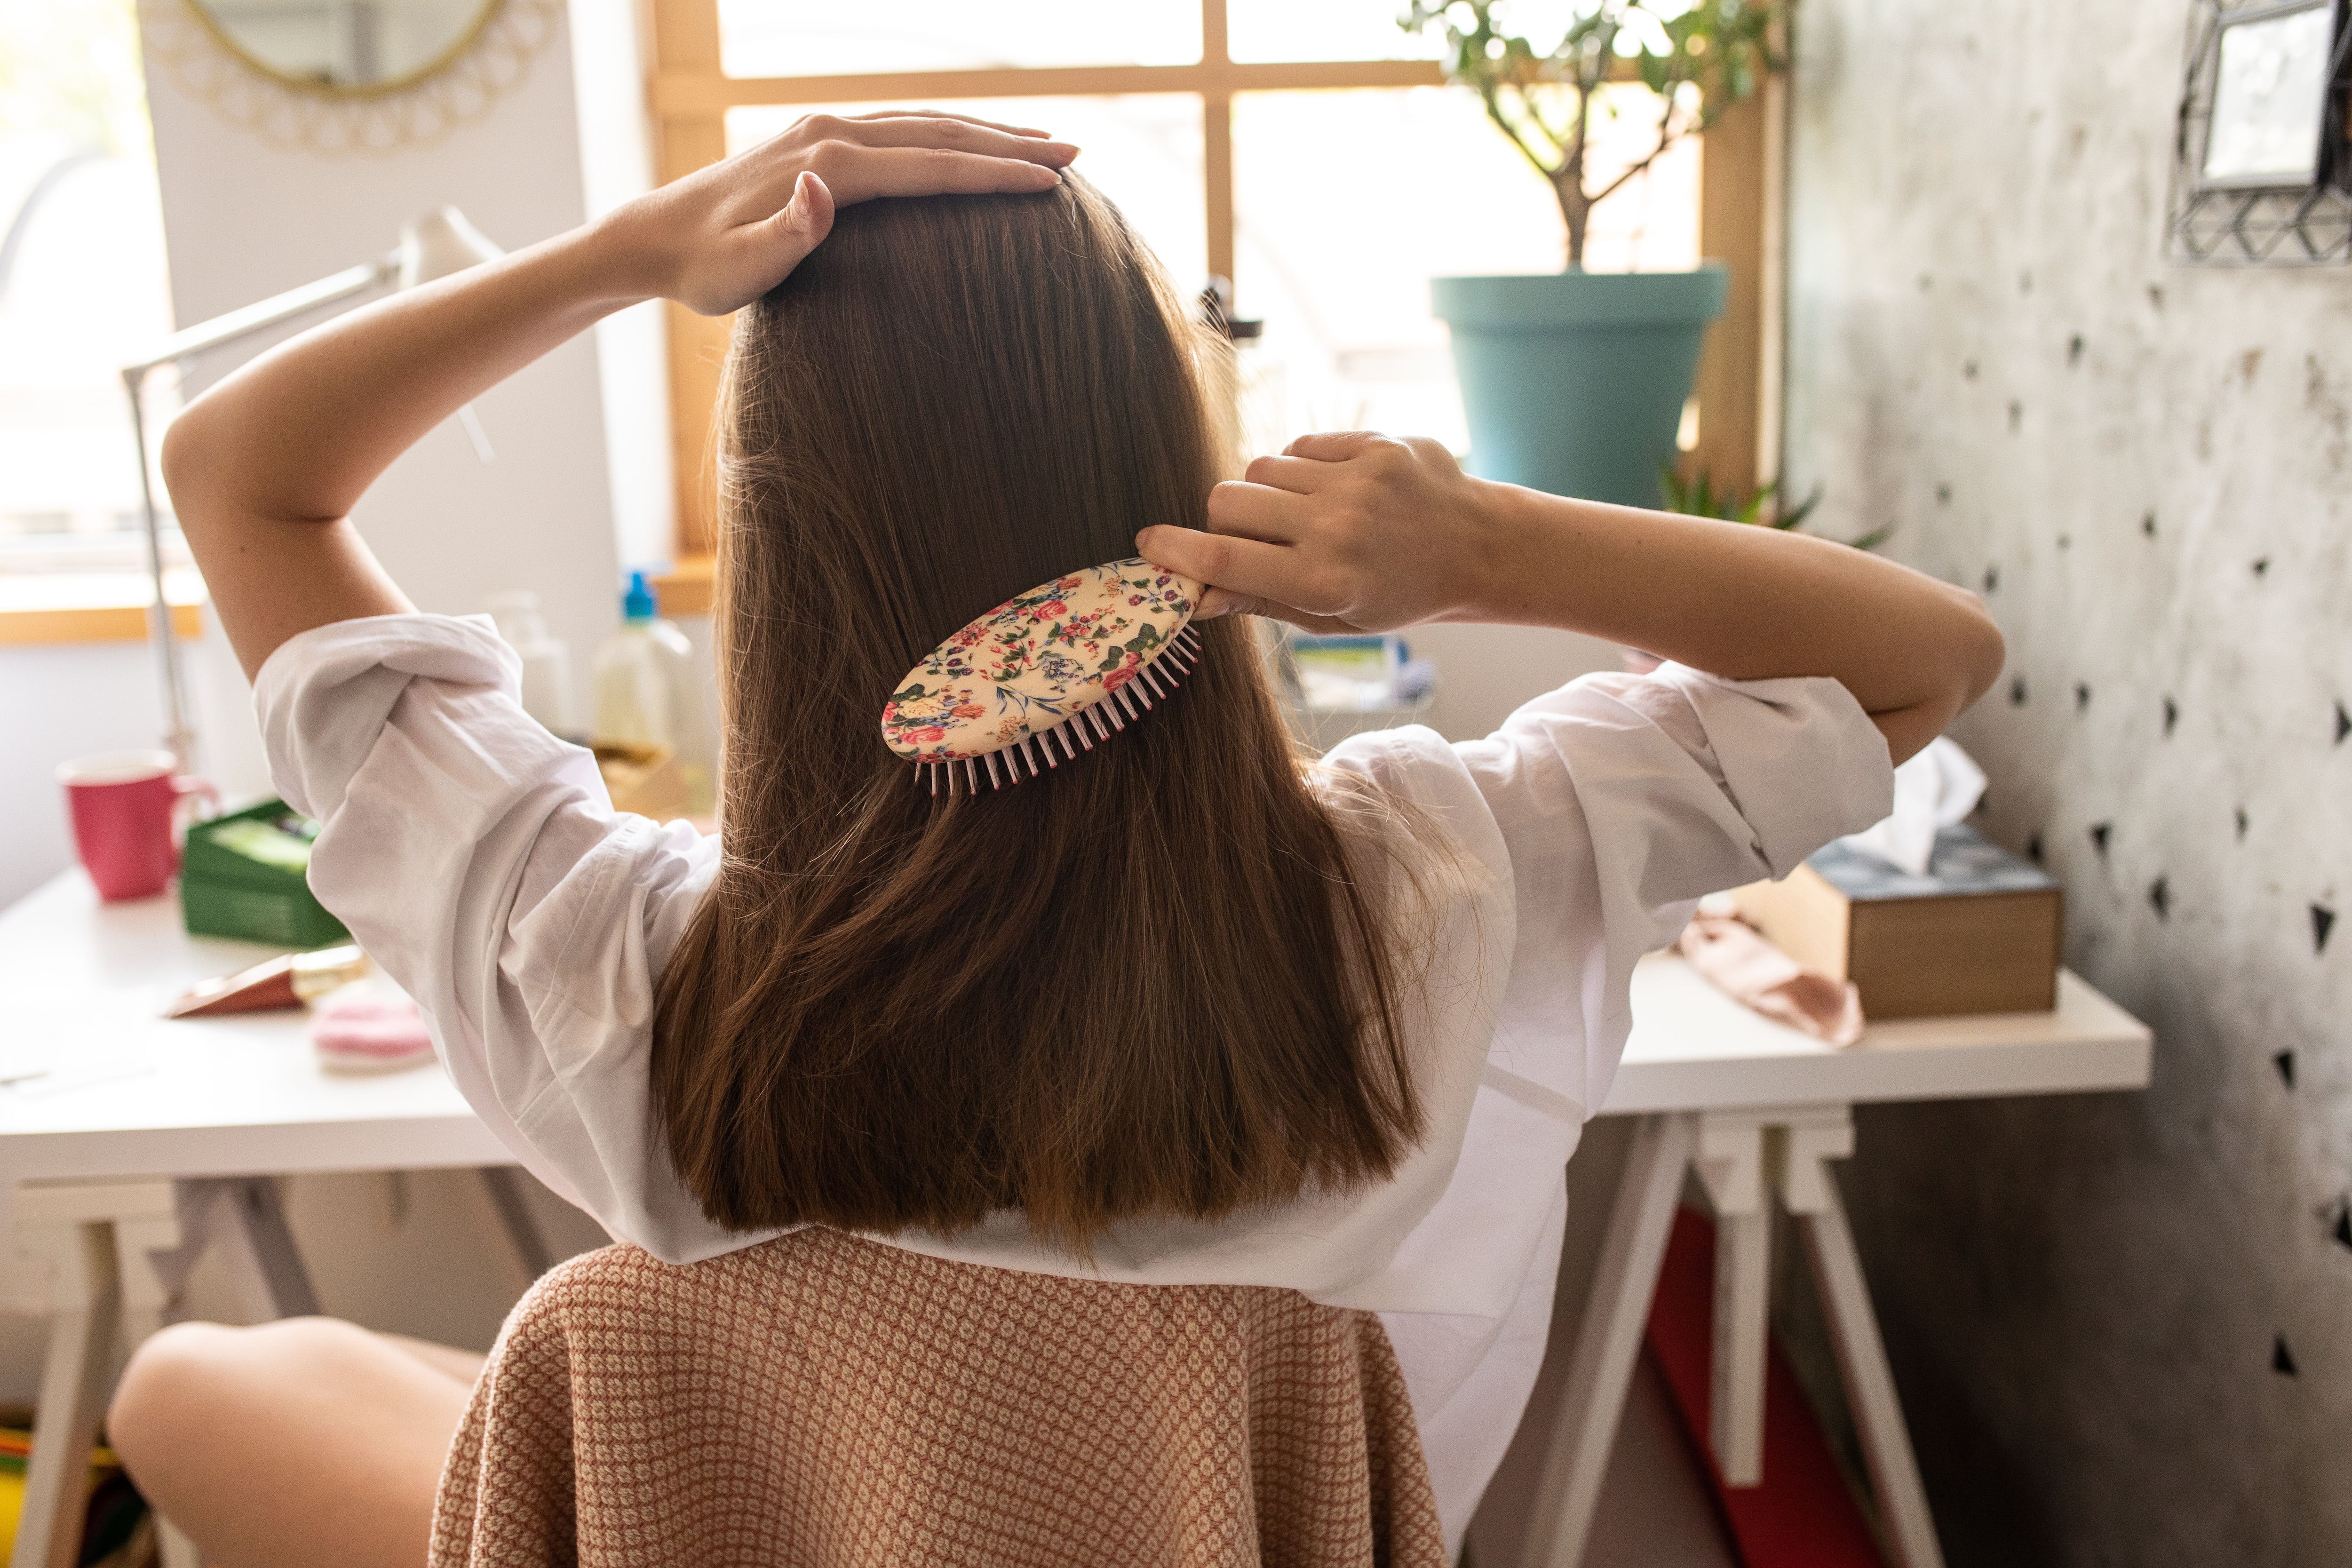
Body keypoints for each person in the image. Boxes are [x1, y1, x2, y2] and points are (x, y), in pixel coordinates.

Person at [105, 111, 2003, 1568]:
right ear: (1172, 466)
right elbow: (1926, 663)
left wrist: (621, 254)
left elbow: (240, 475)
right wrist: (1490, 544)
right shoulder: (1460, 879)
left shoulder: (610, 968)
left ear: (773, 545)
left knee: (208, 1381)